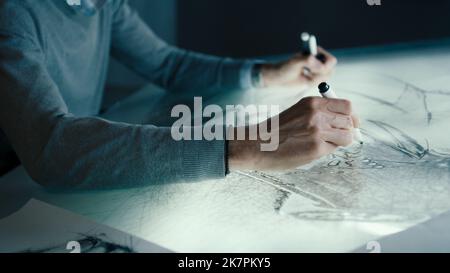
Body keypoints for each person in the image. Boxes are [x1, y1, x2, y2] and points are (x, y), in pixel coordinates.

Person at [0, 0, 358, 190]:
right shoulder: (11, 14)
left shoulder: (103, 3)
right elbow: (52, 148)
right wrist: (244, 147)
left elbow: (166, 64)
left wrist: (266, 73)